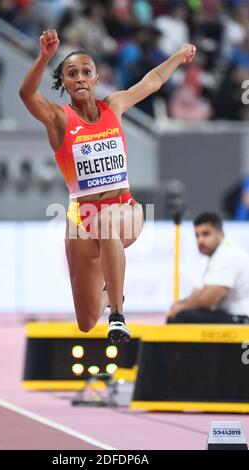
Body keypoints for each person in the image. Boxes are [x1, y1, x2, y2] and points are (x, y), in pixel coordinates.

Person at [19, 29, 196, 343]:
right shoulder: (59, 120)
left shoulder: (113, 106)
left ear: (97, 78)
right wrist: (44, 57)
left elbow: (152, 81)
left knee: (106, 223)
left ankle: (117, 315)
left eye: (87, 72)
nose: (81, 78)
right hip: (80, 221)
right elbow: (27, 95)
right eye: (72, 74)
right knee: (86, 322)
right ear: (65, 83)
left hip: (125, 209)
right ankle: (111, 295)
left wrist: (179, 56)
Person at [167, 212, 249, 324]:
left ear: (221, 233)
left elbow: (207, 301)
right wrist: (177, 306)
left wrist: (179, 308)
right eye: (197, 235)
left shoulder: (228, 255)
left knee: (183, 316)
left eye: (206, 234)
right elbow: (196, 295)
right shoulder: (210, 258)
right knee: (179, 314)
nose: (200, 241)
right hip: (229, 315)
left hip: (242, 318)